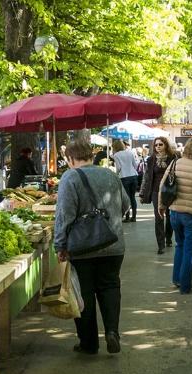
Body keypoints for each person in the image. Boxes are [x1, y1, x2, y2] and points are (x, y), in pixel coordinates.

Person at [54, 139, 130, 355]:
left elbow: (64, 215)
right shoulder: (110, 174)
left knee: (84, 292)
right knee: (110, 286)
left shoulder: (70, 177)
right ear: (90, 155)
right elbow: (125, 204)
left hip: (82, 247)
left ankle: (89, 343)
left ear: (70, 158)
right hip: (113, 243)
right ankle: (112, 332)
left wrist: (59, 244)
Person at [158, 138, 192, 293]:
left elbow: (163, 185)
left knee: (179, 246)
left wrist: (161, 206)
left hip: (175, 212)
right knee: (189, 250)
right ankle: (186, 286)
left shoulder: (176, 163)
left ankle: (176, 279)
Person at [140, 137, 177, 254]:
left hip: (170, 191)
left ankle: (168, 237)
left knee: (170, 216)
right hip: (156, 191)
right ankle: (160, 245)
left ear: (166, 145)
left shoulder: (173, 158)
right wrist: (143, 193)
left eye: (160, 144)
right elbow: (146, 177)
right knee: (158, 217)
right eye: (156, 145)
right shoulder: (151, 159)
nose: (158, 147)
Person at [112, 140, 140, 223]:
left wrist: (116, 174)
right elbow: (135, 165)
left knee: (126, 198)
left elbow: (119, 168)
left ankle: (127, 217)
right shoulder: (130, 152)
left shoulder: (116, 155)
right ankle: (134, 217)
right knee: (132, 197)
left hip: (124, 177)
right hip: (134, 176)